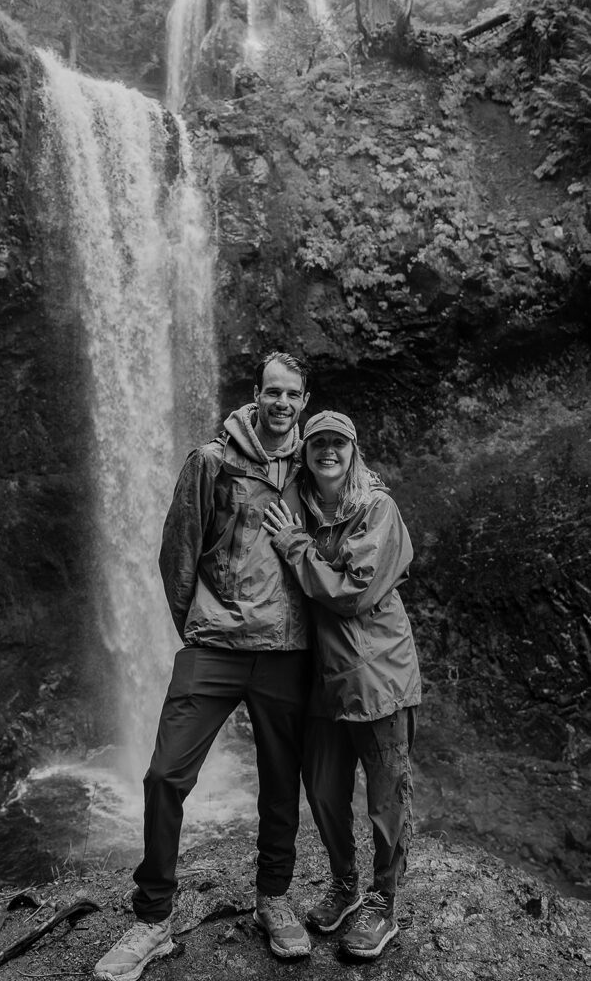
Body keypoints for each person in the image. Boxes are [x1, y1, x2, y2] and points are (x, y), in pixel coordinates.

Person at [95, 352, 313, 981]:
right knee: (165, 776)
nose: (281, 403)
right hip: (213, 646)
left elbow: (353, 499)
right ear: (256, 395)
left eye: (292, 395)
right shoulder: (210, 462)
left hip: (284, 652)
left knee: (279, 784)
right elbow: (177, 553)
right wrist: (195, 625)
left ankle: (273, 899)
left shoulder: (312, 464)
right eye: (272, 392)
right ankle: (153, 919)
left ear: (303, 400)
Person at [262, 410, 421, 962]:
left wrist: (297, 548)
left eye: (338, 443)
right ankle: (346, 883)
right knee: (325, 790)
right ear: (306, 452)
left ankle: (384, 900)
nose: (328, 451)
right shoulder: (298, 503)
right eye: (318, 443)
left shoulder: (376, 507)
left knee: (385, 794)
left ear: (353, 451)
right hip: (324, 675)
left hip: (378, 671)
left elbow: (354, 592)